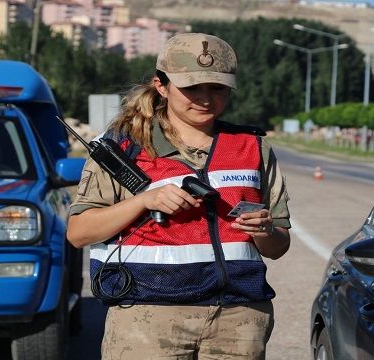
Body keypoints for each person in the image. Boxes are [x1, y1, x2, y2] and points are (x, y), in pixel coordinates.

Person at [66, 32, 291, 359]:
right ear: (162, 85)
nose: (205, 99)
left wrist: (265, 230)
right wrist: (145, 200)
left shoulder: (253, 148)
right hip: (146, 317)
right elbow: (78, 233)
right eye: (191, 88)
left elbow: (278, 247)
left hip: (239, 319)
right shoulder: (122, 148)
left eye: (217, 88)